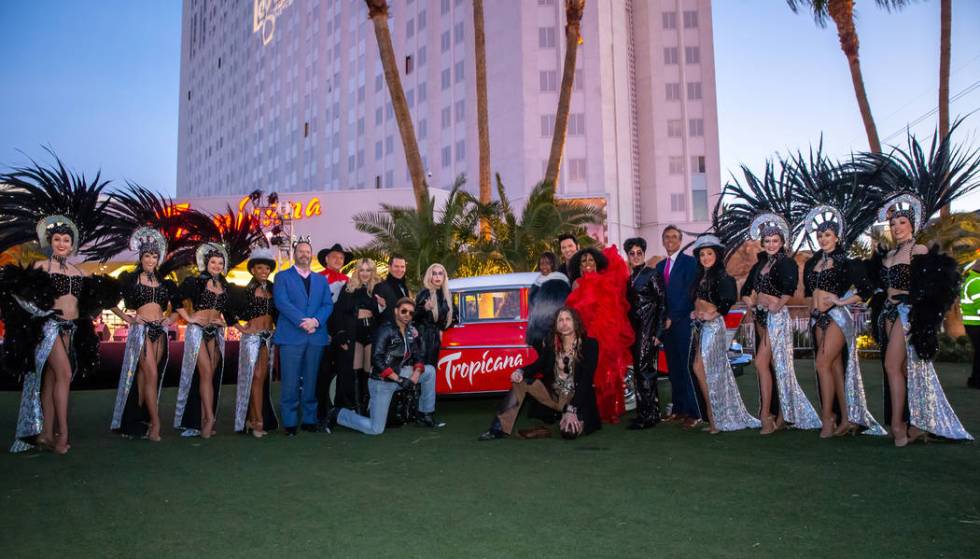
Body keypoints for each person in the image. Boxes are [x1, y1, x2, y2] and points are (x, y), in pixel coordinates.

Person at [0, 213, 115, 454]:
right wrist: (37, 312)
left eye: (66, 240)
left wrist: (123, 314)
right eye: (57, 240)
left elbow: (99, 299)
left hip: (70, 330)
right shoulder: (41, 267)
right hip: (49, 328)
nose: (62, 244)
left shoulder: (78, 271)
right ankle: (63, 434)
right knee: (65, 373)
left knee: (52, 380)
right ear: (50, 243)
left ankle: (44, 434)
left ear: (72, 245)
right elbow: (16, 293)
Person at [871, 194, 972, 445]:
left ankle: (898, 425)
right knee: (902, 370)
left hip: (907, 314)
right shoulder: (889, 254)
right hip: (888, 313)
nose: (897, 228)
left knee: (892, 366)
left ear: (912, 225)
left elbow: (934, 288)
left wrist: (916, 303)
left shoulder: (919, 250)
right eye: (893, 224)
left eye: (902, 223)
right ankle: (914, 422)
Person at [801, 206, 885, 438]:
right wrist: (812, 309)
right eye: (819, 235)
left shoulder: (847, 263)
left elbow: (867, 290)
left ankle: (828, 418)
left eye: (827, 235)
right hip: (817, 319)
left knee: (821, 364)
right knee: (835, 368)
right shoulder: (813, 263)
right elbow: (810, 292)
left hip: (838, 318)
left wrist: (841, 301)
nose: (822, 239)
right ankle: (846, 418)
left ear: (837, 237)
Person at [740, 214, 821, 434]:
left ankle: (767, 415)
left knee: (763, 363)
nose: (771, 244)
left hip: (777, 319)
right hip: (761, 318)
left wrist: (778, 304)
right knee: (773, 366)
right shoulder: (760, 264)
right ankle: (782, 413)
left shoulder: (787, 263)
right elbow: (746, 290)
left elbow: (790, 288)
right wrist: (752, 302)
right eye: (767, 241)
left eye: (775, 241)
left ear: (782, 242)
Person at [479, 307, 600, 440]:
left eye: (568, 319)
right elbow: (538, 365)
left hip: (577, 399)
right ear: (556, 325)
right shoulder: (553, 346)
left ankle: (563, 422)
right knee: (521, 382)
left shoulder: (590, 345)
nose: (564, 323)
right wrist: (521, 371)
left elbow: (586, 380)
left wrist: (572, 409)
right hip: (554, 396)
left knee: (569, 432)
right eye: (560, 320)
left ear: (575, 322)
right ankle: (498, 428)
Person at [324, 297, 439, 435]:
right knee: (376, 429)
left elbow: (418, 355)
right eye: (404, 311)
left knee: (430, 371)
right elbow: (377, 360)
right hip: (382, 381)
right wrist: (399, 380)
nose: (407, 315)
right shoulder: (385, 330)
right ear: (396, 311)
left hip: (400, 373)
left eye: (410, 312)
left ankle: (425, 414)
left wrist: (415, 375)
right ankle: (337, 414)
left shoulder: (410, 332)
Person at [110, 228, 178, 441]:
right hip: (141, 332)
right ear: (141, 257)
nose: (151, 259)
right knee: (151, 375)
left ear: (159, 259)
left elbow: (178, 308)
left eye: (154, 256)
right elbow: (108, 299)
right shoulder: (130, 279)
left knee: (144, 377)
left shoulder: (165, 282)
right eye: (147, 255)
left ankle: (135, 421)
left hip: (160, 331)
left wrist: (170, 320)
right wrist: (128, 318)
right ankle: (155, 424)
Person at [688, 235, 760, 433]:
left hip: (713, 328)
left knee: (704, 368)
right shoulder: (699, 276)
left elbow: (727, 301)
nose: (705, 257)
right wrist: (696, 312)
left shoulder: (722, 276)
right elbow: (698, 301)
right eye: (702, 254)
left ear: (716, 255)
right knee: (702, 370)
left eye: (709, 253)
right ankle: (714, 418)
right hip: (701, 327)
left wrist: (715, 313)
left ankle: (715, 419)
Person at [565, 245, 634, 423]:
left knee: (608, 375)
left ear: (596, 263)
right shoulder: (576, 284)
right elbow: (573, 313)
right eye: (583, 261)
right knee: (588, 374)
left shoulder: (606, 280)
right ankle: (591, 410)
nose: (587, 264)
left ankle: (611, 411)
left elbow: (615, 309)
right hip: (585, 335)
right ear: (579, 266)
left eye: (590, 260)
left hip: (605, 335)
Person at [274, 239, 334, 436]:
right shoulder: (282, 277)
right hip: (292, 336)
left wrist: (315, 321)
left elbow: (327, 305)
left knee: (311, 381)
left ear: (312, 254)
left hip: (316, 337)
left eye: (308, 251)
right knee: (290, 382)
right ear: (295, 253)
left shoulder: (321, 280)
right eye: (301, 251)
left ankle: (309, 420)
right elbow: (282, 302)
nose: (304, 254)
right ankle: (290, 423)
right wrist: (303, 321)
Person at [174, 243, 233, 438]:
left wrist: (224, 322)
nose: (217, 265)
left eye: (220, 262)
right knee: (206, 373)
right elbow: (175, 298)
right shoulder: (195, 282)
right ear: (206, 263)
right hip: (197, 331)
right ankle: (209, 418)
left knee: (209, 376)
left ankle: (201, 419)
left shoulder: (225, 286)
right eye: (213, 262)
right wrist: (189, 318)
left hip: (215, 333)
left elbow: (230, 312)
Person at [230, 248, 279, 438]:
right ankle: (256, 421)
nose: (264, 271)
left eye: (267, 268)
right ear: (253, 270)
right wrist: (241, 328)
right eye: (260, 268)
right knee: (254, 377)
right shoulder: (247, 291)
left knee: (260, 379)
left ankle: (254, 419)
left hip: (268, 338)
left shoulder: (273, 288)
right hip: (252, 338)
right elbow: (227, 309)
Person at [655, 225, 702, 428]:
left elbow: (689, 293)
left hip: (683, 323)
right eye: (667, 237)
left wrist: (673, 316)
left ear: (680, 240)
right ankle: (679, 408)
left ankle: (694, 411)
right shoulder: (659, 267)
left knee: (687, 367)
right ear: (663, 241)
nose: (670, 240)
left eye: (674, 237)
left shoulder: (689, 263)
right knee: (673, 369)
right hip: (666, 327)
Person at [624, 237, 667, 430]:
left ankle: (649, 415)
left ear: (644, 253)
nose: (635, 256)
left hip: (648, 329)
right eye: (631, 253)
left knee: (644, 371)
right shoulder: (630, 277)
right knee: (640, 371)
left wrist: (658, 332)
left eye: (638, 253)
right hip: (634, 330)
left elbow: (662, 304)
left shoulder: (652, 274)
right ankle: (647, 412)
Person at [332, 258, 385, 414]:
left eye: (368, 270)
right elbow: (338, 313)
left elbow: (384, 314)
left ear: (372, 272)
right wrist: (340, 334)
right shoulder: (348, 288)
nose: (365, 273)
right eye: (362, 270)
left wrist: (382, 306)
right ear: (357, 271)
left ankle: (366, 406)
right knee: (353, 371)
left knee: (368, 371)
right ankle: (354, 407)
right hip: (354, 332)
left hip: (371, 331)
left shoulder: (378, 289)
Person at [413, 263, 455, 426]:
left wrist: (442, 328)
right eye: (434, 273)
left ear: (444, 277)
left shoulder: (446, 294)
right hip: (423, 337)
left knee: (430, 375)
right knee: (423, 372)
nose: (437, 277)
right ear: (429, 276)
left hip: (434, 338)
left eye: (441, 274)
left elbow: (453, 315)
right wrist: (424, 308)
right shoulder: (424, 293)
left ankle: (425, 412)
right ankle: (421, 414)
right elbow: (413, 316)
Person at [315, 243, 351, 419]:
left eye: (341, 257)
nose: (338, 260)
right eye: (334, 257)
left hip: (341, 333)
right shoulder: (317, 279)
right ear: (326, 259)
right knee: (323, 372)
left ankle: (340, 411)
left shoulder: (348, 280)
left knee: (343, 372)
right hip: (323, 331)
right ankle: (320, 413)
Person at [527, 251, 570, 350]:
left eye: (547, 263)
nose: (544, 266)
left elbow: (556, 309)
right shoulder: (538, 280)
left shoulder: (558, 281)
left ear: (553, 264)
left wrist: (549, 332)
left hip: (551, 331)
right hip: (537, 331)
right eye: (541, 264)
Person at [376, 254, 410, 325]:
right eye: (396, 266)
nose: (400, 270)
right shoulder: (380, 287)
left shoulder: (404, 287)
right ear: (389, 267)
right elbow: (375, 313)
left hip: (404, 330)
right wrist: (381, 306)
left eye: (402, 267)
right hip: (388, 332)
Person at [963, 259, 980, 389]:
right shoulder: (976, 282)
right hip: (975, 324)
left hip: (972, 323)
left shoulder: (973, 280)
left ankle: (974, 380)